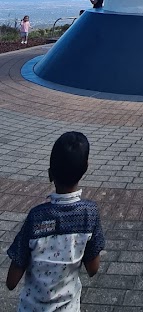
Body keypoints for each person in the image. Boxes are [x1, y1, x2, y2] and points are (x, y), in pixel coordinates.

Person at [6, 131, 104, 310]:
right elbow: (93, 268)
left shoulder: (36, 217)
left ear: (50, 173)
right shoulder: (89, 214)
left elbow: (11, 281)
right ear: (85, 167)